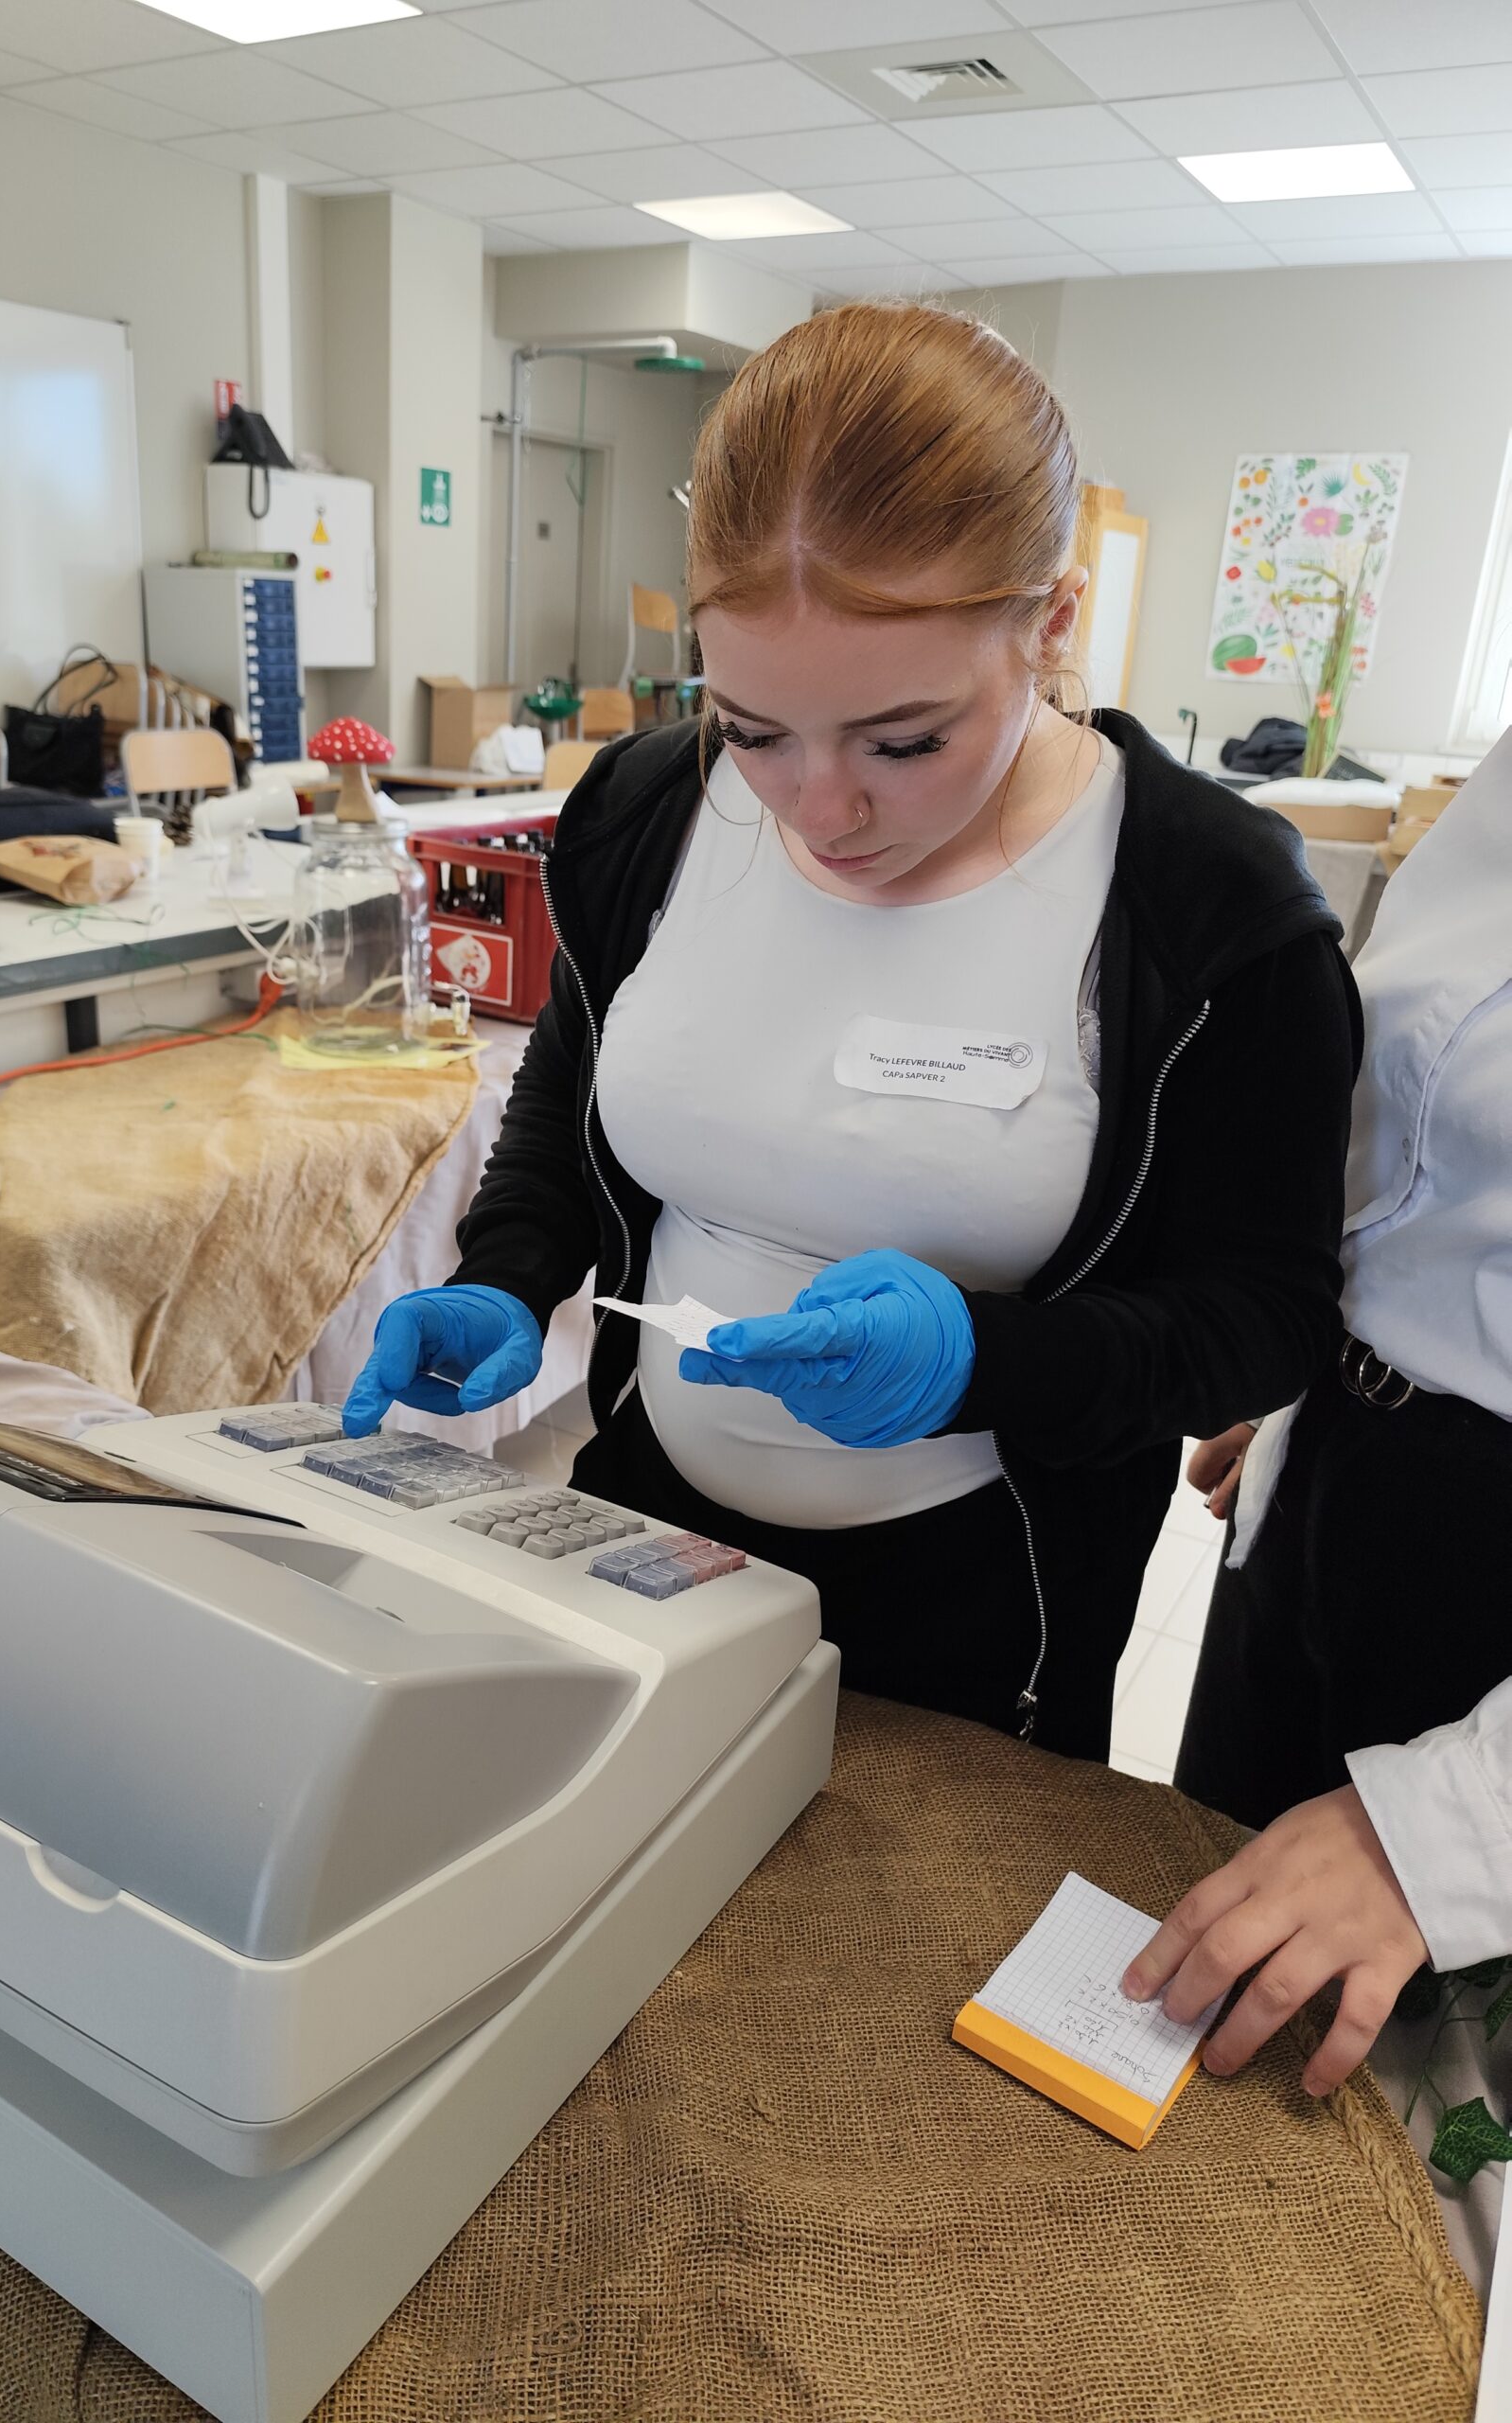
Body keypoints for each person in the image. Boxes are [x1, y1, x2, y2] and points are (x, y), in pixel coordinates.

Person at [344, 301, 1359, 1760]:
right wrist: (507, 1276)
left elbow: (1267, 1315)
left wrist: (981, 1365)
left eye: (905, 740)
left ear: (1052, 625)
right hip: (646, 1541)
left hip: (980, 1609)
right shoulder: (647, 813)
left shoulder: (1208, 907)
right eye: (753, 729)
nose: (821, 811)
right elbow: (573, 1097)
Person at [1125, 732, 1512, 2093]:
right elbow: (1426, 1160)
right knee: (1196, 1977)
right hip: (1343, 1466)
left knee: (1394, 2125)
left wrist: (1448, 1834)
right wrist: (1336, 1385)